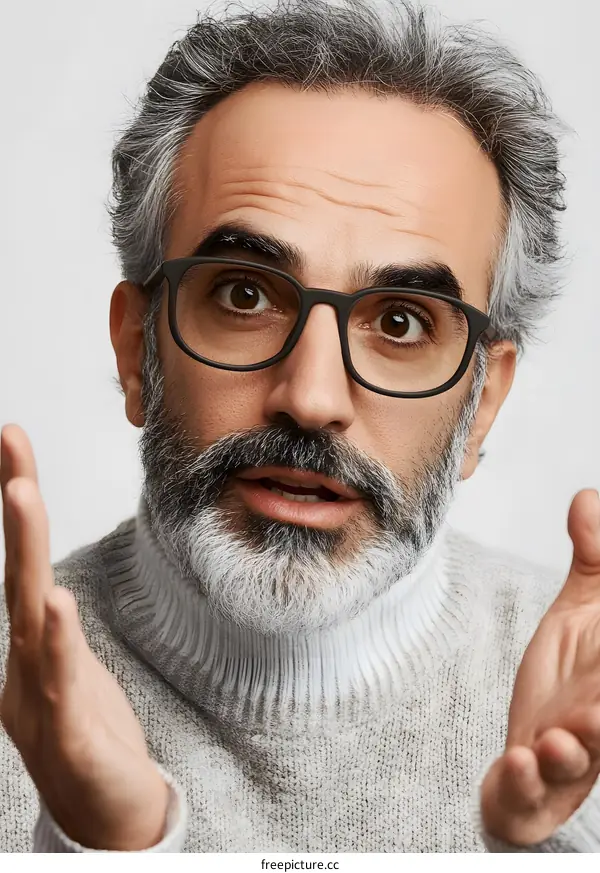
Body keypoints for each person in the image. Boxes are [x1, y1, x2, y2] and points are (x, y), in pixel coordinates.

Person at [1, 0, 600, 854]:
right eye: (244, 293)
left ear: (483, 403)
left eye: (401, 321)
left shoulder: (584, 715)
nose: (312, 396)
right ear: (138, 348)